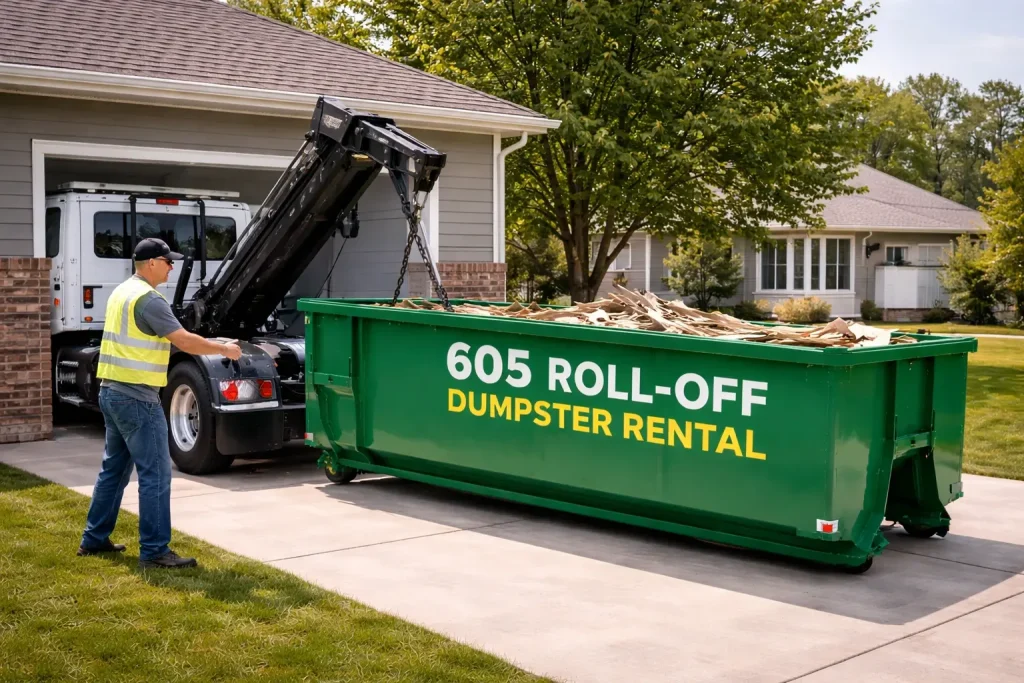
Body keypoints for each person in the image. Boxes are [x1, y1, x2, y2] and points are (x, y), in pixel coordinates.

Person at [78, 237, 242, 569]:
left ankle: (94, 539)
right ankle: (154, 551)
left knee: (114, 470)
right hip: (137, 398)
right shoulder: (149, 300)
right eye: (168, 262)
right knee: (155, 474)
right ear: (151, 263)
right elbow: (183, 340)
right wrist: (224, 348)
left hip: (112, 391)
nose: (171, 267)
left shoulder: (122, 292)